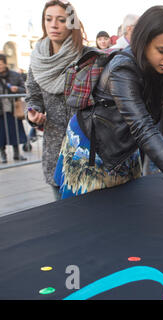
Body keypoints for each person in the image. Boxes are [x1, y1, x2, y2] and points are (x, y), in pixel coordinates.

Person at [54, 6, 163, 206]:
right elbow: (142, 126)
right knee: (90, 219)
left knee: (127, 215)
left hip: (125, 149)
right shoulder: (122, 68)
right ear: (143, 41)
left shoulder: (159, 69)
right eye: (162, 50)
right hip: (92, 150)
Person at [24, 0, 87, 199]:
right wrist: (33, 113)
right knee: (60, 209)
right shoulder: (37, 58)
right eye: (48, 19)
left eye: (61, 20)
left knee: (88, 212)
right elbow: (33, 95)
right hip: (54, 146)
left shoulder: (87, 56)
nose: (54, 25)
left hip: (86, 145)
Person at [0, 54, 27, 163]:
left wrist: (18, 89)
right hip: (0, 110)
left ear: (5, 64)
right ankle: (3, 155)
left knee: (15, 132)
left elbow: (24, 89)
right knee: (1, 134)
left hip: (13, 109)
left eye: (1, 64)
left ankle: (17, 154)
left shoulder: (15, 75)